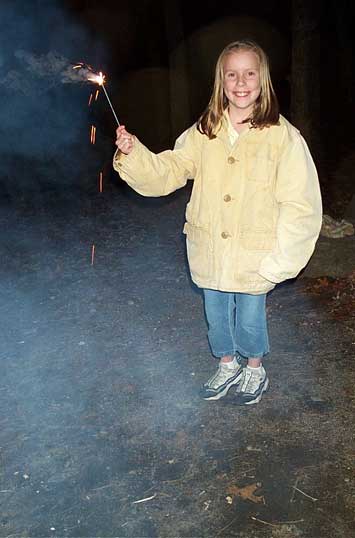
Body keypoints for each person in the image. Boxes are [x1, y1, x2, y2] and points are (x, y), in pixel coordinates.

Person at [113, 39, 322, 405]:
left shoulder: (282, 137)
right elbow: (171, 170)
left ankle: (254, 368)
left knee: (251, 317)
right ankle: (227, 363)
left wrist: (284, 259)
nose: (241, 83)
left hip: (255, 252)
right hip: (210, 248)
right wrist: (134, 154)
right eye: (232, 75)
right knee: (216, 313)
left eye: (249, 74)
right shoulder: (204, 131)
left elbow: (300, 203)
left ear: (263, 79)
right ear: (221, 81)